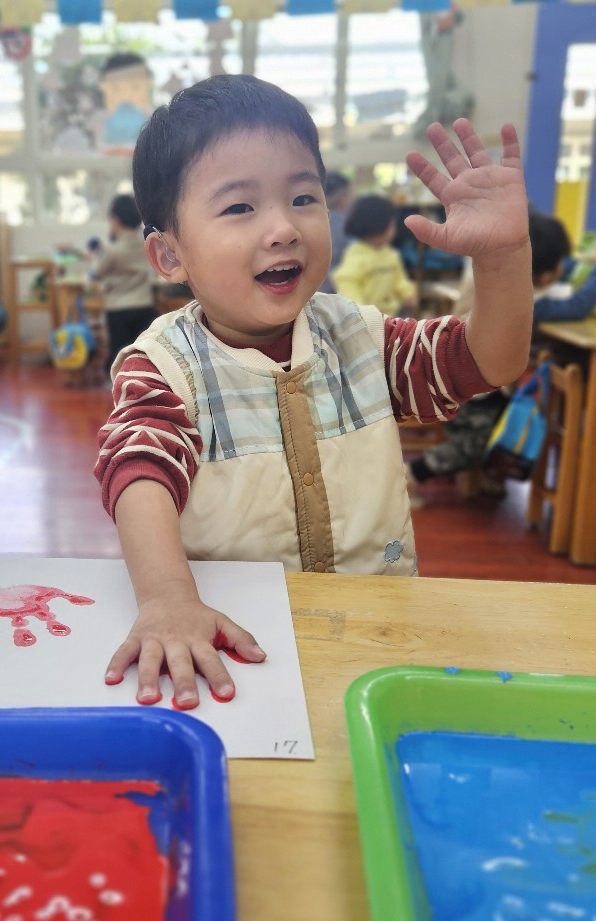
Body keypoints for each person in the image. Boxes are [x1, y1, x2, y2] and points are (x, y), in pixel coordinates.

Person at [93, 75, 532, 708]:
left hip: (377, 632)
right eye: (239, 208)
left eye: (303, 197)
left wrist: (503, 258)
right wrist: (168, 600)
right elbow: (139, 473)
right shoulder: (163, 365)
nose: (283, 228)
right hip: (230, 639)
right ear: (169, 256)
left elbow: (490, 361)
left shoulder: (360, 337)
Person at [405, 212, 596, 495]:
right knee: (474, 444)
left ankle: (480, 475)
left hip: (461, 377)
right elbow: (577, 307)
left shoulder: (488, 273)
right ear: (546, 275)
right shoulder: (522, 299)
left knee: (491, 428)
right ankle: (413, 474)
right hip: (472, 388)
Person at [89, 194, 156, 372]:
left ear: (115, 220)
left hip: (118, 309)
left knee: (120, 358)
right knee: (142, 356)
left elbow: (96, 273)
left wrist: (96, 257)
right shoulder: (147, 244)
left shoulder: (113, 250)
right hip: (144, 305)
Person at [332, 195, 418, 317]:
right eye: (391, 224)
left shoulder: (391, 254)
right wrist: (364, 312)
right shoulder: (356, 256)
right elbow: (348, 286)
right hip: (365, 319)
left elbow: (399, 279)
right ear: (380, 225)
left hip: (390, 315)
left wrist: (407, 293)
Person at [320, 171, 352, 293]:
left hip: (315, 292)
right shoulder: (348, 225)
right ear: (342, 198)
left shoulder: (309, 223)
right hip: (341, 292)